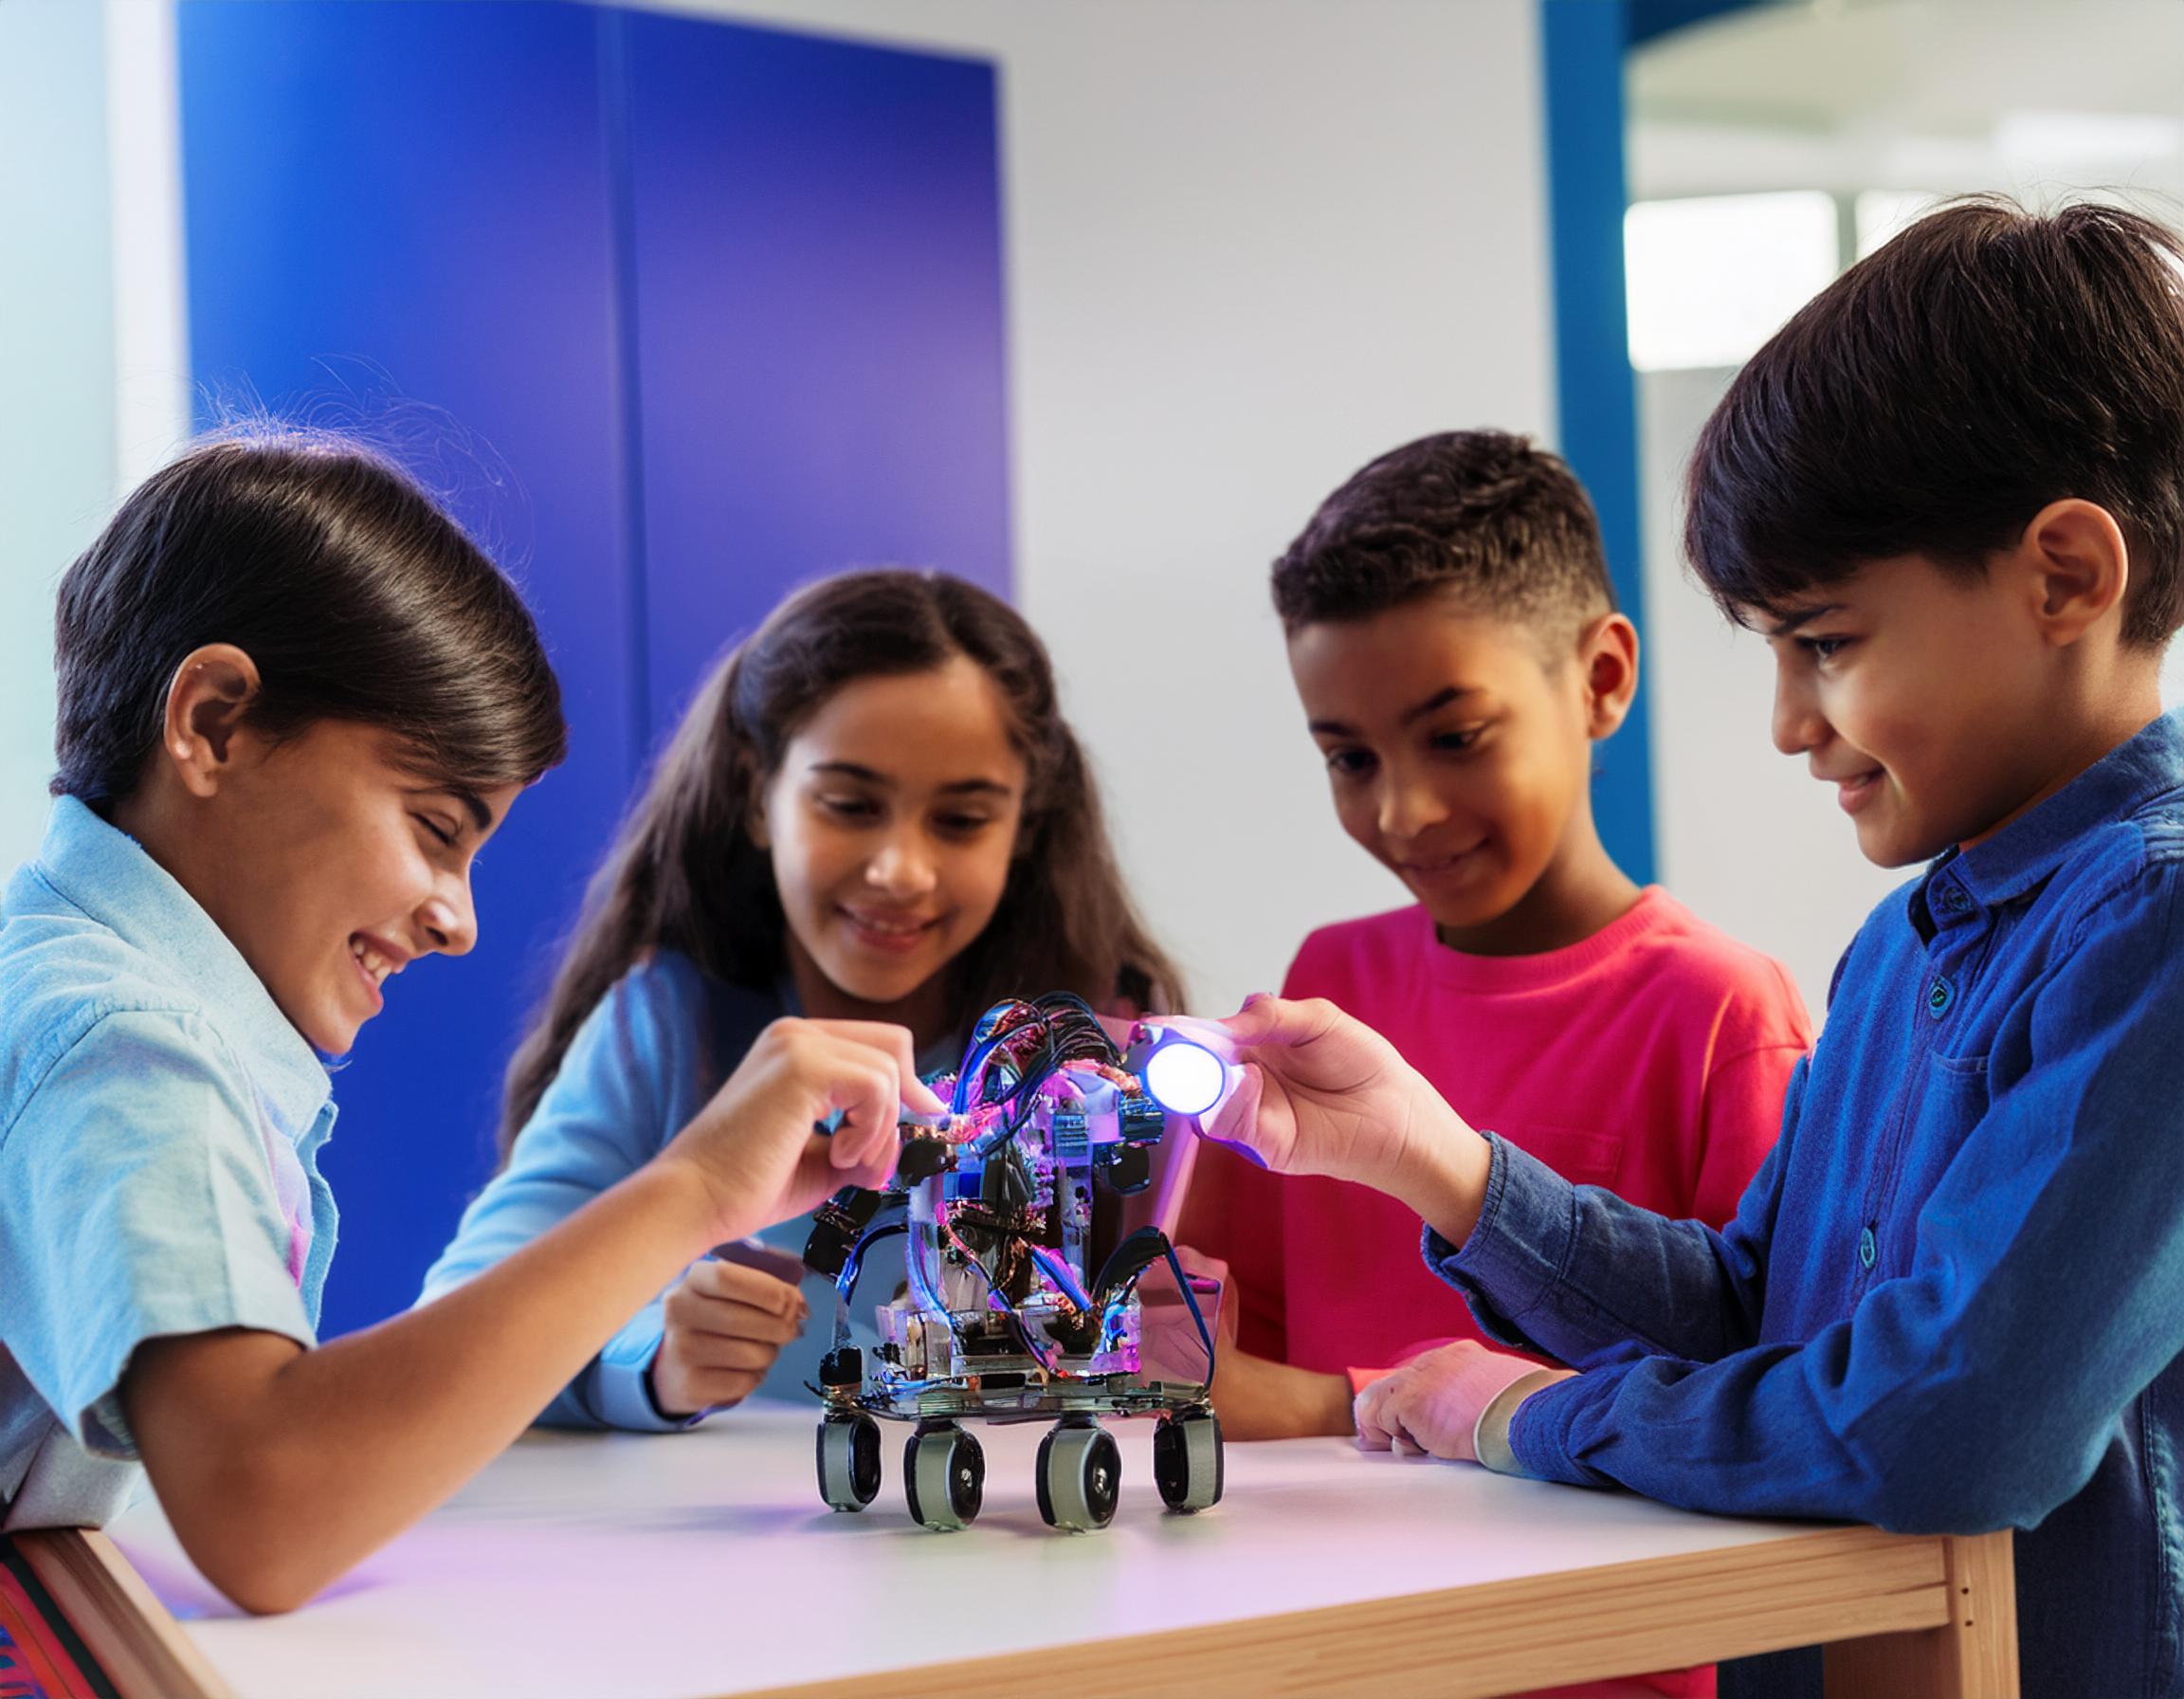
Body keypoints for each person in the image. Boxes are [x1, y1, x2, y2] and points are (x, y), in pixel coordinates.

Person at [1190, 200, 2184, 1697]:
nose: (1790, 723)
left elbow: (1945, 1424)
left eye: (1828, 644)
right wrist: (1433, 1161)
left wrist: (1523, 1417)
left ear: (2064, 577)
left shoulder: (2151, 925)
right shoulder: (1907, 942)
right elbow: (1750, 1316)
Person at [0, 435, 926, 1613]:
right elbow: (265, 1509)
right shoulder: (124, 1041)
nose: (461, 922)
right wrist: (696, 1191)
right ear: (217, 722)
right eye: (435, 827)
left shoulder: (64, 978)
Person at [425, 569, 1183, 1427]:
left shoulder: (1098, 1051)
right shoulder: (671, 1026)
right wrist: (653, 1359)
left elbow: (1188, 1346)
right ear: (758, 794)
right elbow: (441, 1345)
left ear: (1026, 828)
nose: (901, 871)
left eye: (962, 820)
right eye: (850, 804)